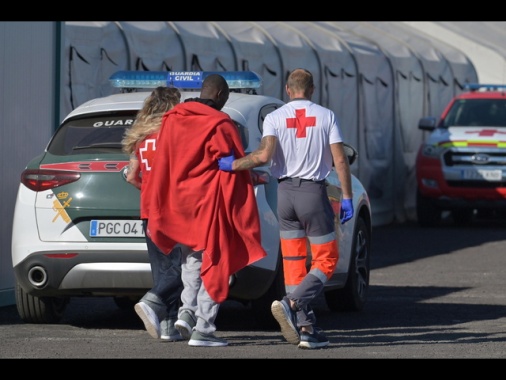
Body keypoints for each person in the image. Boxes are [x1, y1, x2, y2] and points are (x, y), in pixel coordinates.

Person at [218, 68, 354, 349]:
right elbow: (340, 160)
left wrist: (232, 164)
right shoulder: (326, 116)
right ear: (312, 89)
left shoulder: (274, 117)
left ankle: (306, 328)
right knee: (326, 259)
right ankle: (292, 303)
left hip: (284, 195)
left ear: (288, 90)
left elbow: (263, 156)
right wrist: (348, 196)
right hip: (313, 194)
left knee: (293, 265)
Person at [145, 74, 267, 347]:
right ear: (222, 95)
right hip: (210, 203)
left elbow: (165, 161)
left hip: (180, 204)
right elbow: (232, 165)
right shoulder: (220, 123)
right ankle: (204, 328)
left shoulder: (173, 118)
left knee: (192, 259)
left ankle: (186, 313)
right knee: (217, 260)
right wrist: (253, 178)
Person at [121, 86, 184, 342]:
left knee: (162, 269)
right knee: (184, 267)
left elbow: (132, 177)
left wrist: (148, 189)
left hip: (149, 210)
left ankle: (168, 327)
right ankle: (153, 300)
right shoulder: (174, 134)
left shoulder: (141, 137)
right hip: (175, 209)